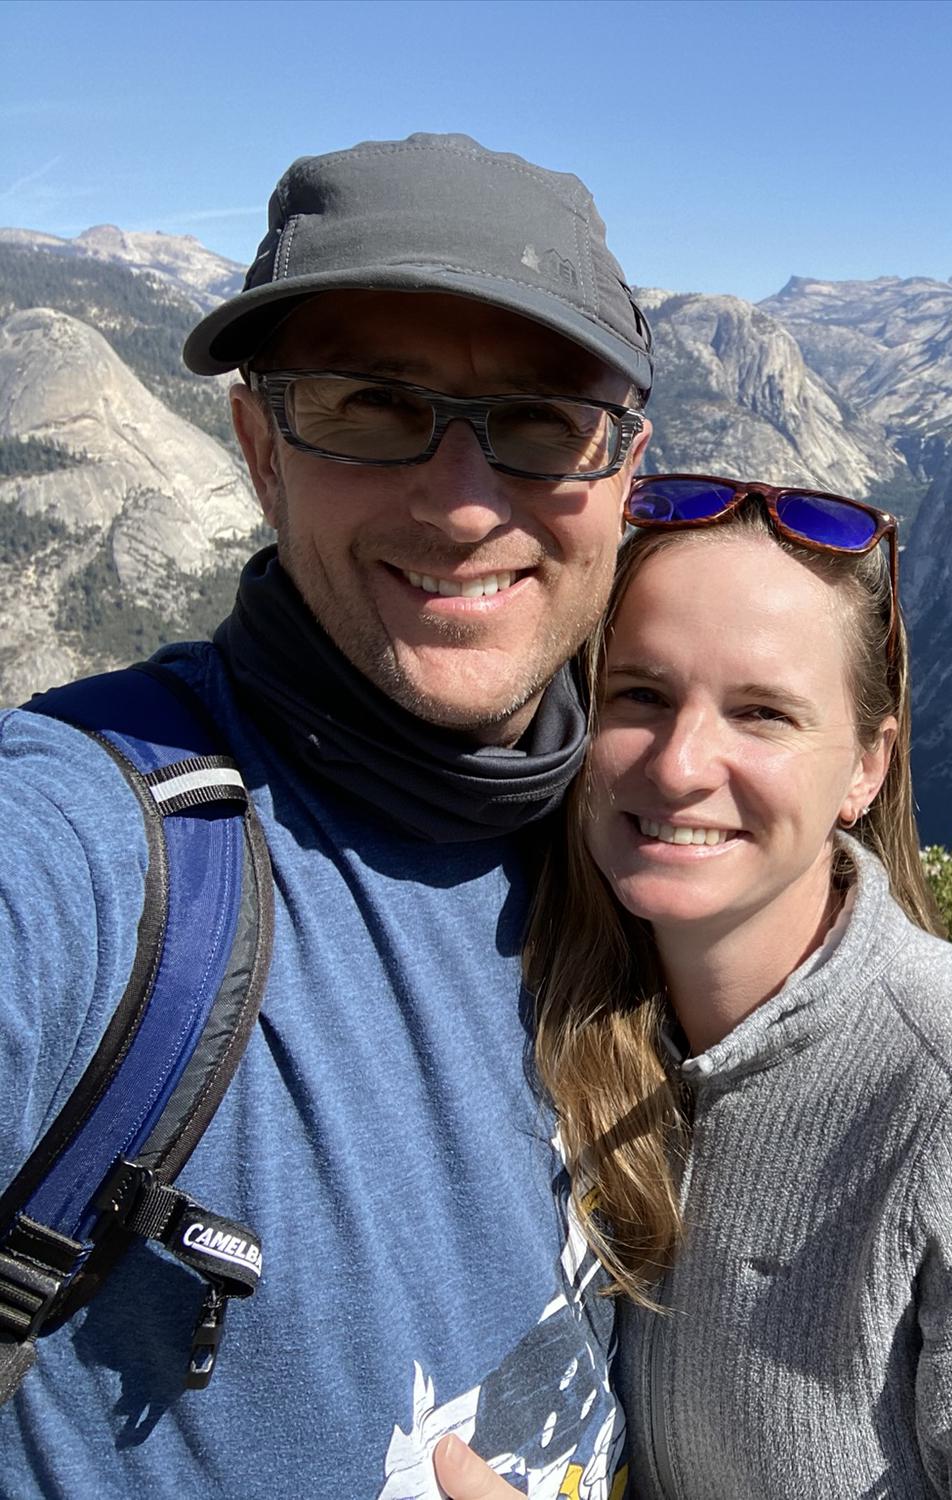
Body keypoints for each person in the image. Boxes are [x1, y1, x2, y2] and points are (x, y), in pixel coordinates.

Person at [0, 134, 654, 1498]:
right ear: (258, 447)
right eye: (368, 405)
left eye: (541, 421)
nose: (466, 503)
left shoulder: (647, 841)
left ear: (623, 474)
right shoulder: (90, 844)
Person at [435, 475, 952, 1500]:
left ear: (865, 767)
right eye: (639, 694)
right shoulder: (574, 1017)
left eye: (761, 712)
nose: (682, 761)